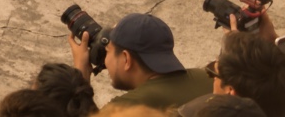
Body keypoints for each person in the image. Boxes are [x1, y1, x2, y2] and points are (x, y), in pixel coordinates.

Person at [72, 13, 213, 109]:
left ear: (126, 59)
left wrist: (80, 75)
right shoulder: (209, 79)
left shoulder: (126, 107)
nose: (105, 61)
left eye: (108, 51)